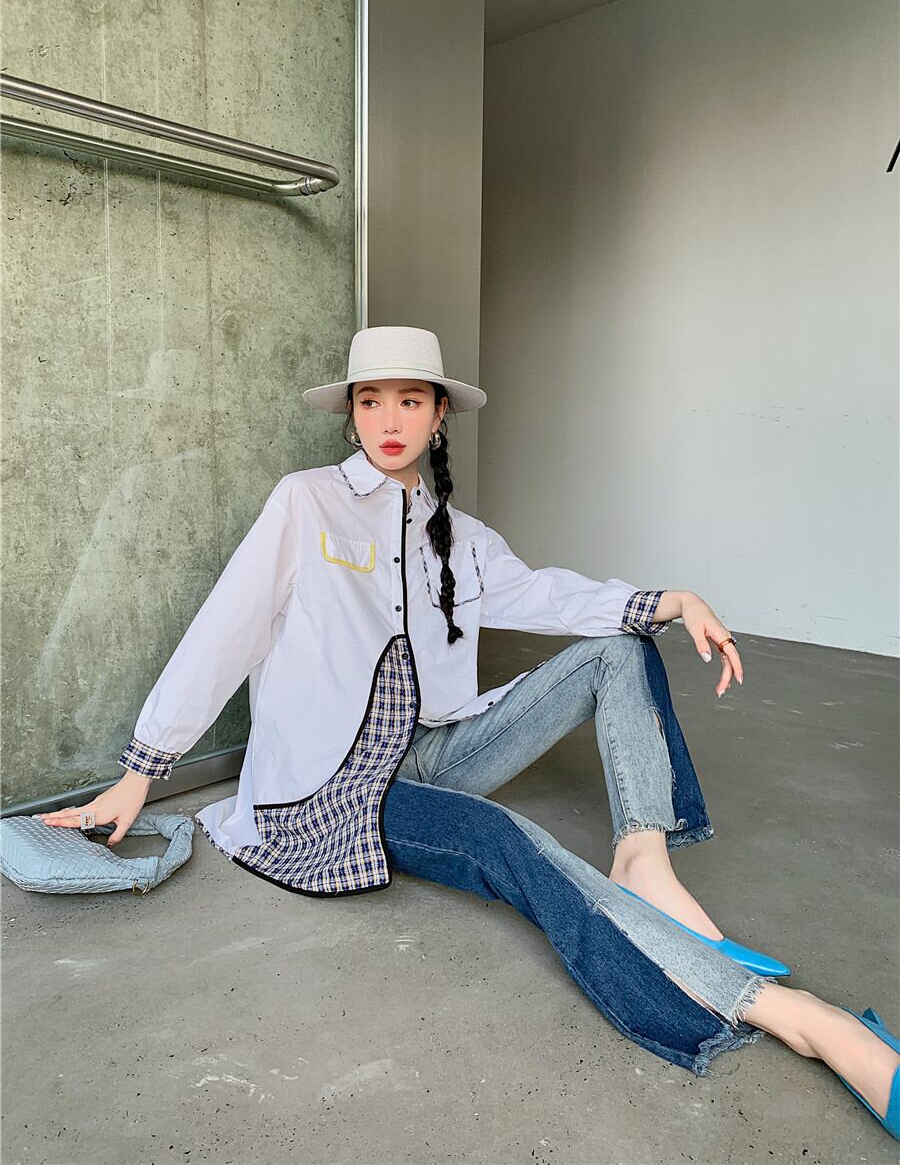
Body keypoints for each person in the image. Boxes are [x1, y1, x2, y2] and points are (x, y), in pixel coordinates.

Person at [33, 326, 898, 1140]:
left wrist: (672, 600)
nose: (390, 420)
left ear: (439, 414)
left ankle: (644, 859)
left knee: (618, 648)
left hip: (432, 754)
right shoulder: (306, 503)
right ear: (351, 414)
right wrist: (144, 768)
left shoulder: (463, 538)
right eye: (371, 400)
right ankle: (796, 1018)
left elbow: (551, 596)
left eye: (410, 400)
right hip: (332, 791)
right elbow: (226, 630)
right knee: (503, 839)